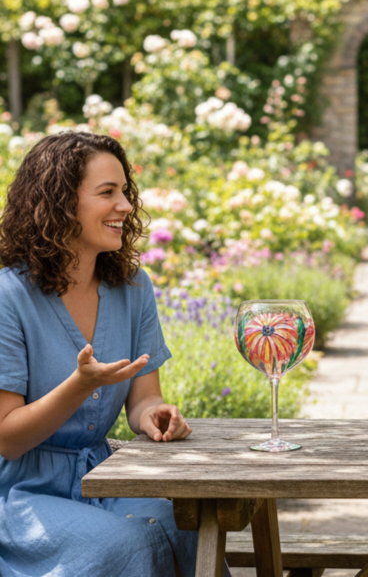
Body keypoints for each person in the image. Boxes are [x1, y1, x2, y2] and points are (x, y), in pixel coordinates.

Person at [0, 132, 220, 576]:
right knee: (125, 544)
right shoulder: (8, 296)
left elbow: (143, 398)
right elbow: (8, 438)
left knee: (187, 525)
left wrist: (157, 416)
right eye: (108, 192)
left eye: (125, 191)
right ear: (59, 203)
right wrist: (79, 386)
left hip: (107, 477)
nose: (125, 205)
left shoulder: (134, 289)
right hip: (21, 496)